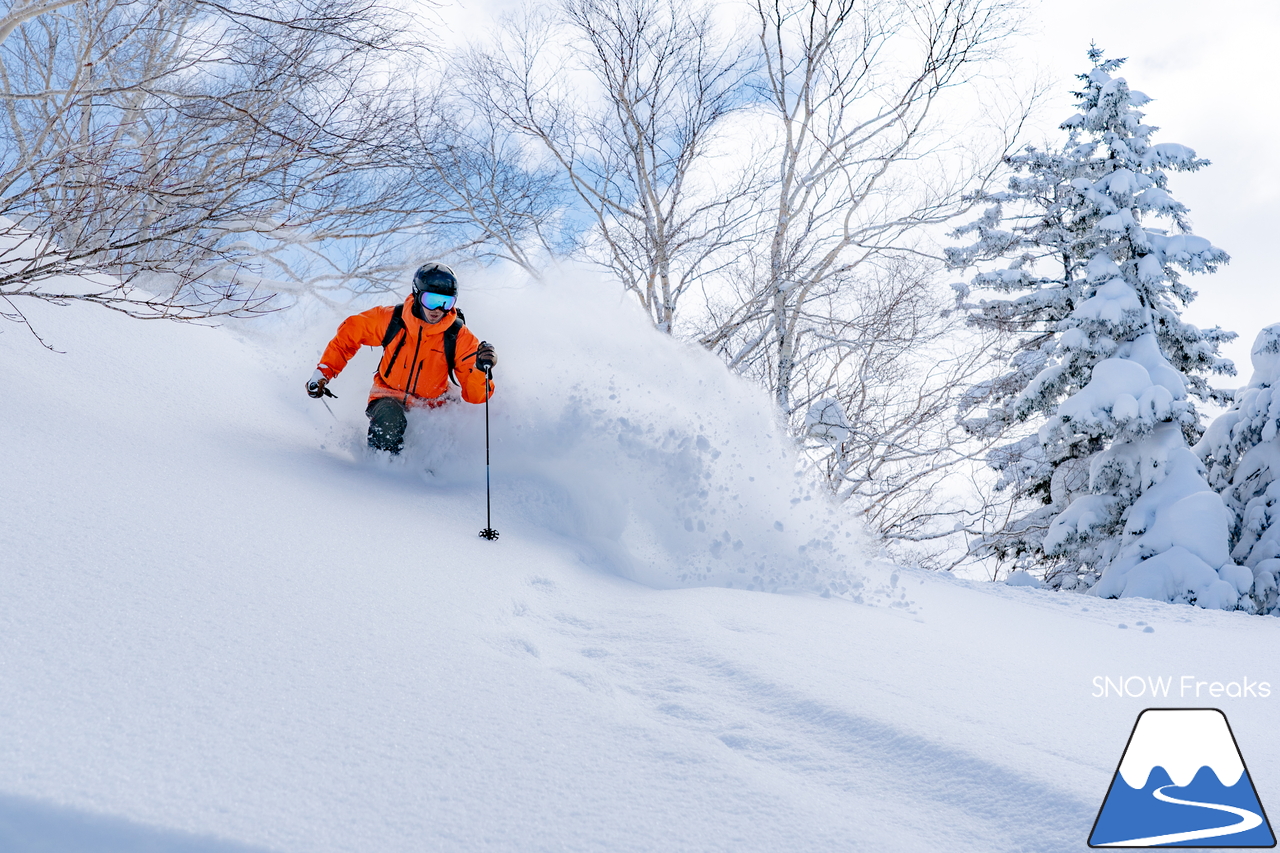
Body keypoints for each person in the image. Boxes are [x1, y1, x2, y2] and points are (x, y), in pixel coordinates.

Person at [306, 263, 497, 454]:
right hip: (388, 395)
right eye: (431, 300)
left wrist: (481, 369)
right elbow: (349, 334)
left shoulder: (459, 336)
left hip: (432, 406)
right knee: (389, 421)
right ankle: (380, 473)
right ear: (417, 294)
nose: (438, 309)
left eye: (446, 302)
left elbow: (476, 396)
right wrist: (324, 372)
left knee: (436, 442)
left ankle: (428, 477)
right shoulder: (392, 319)